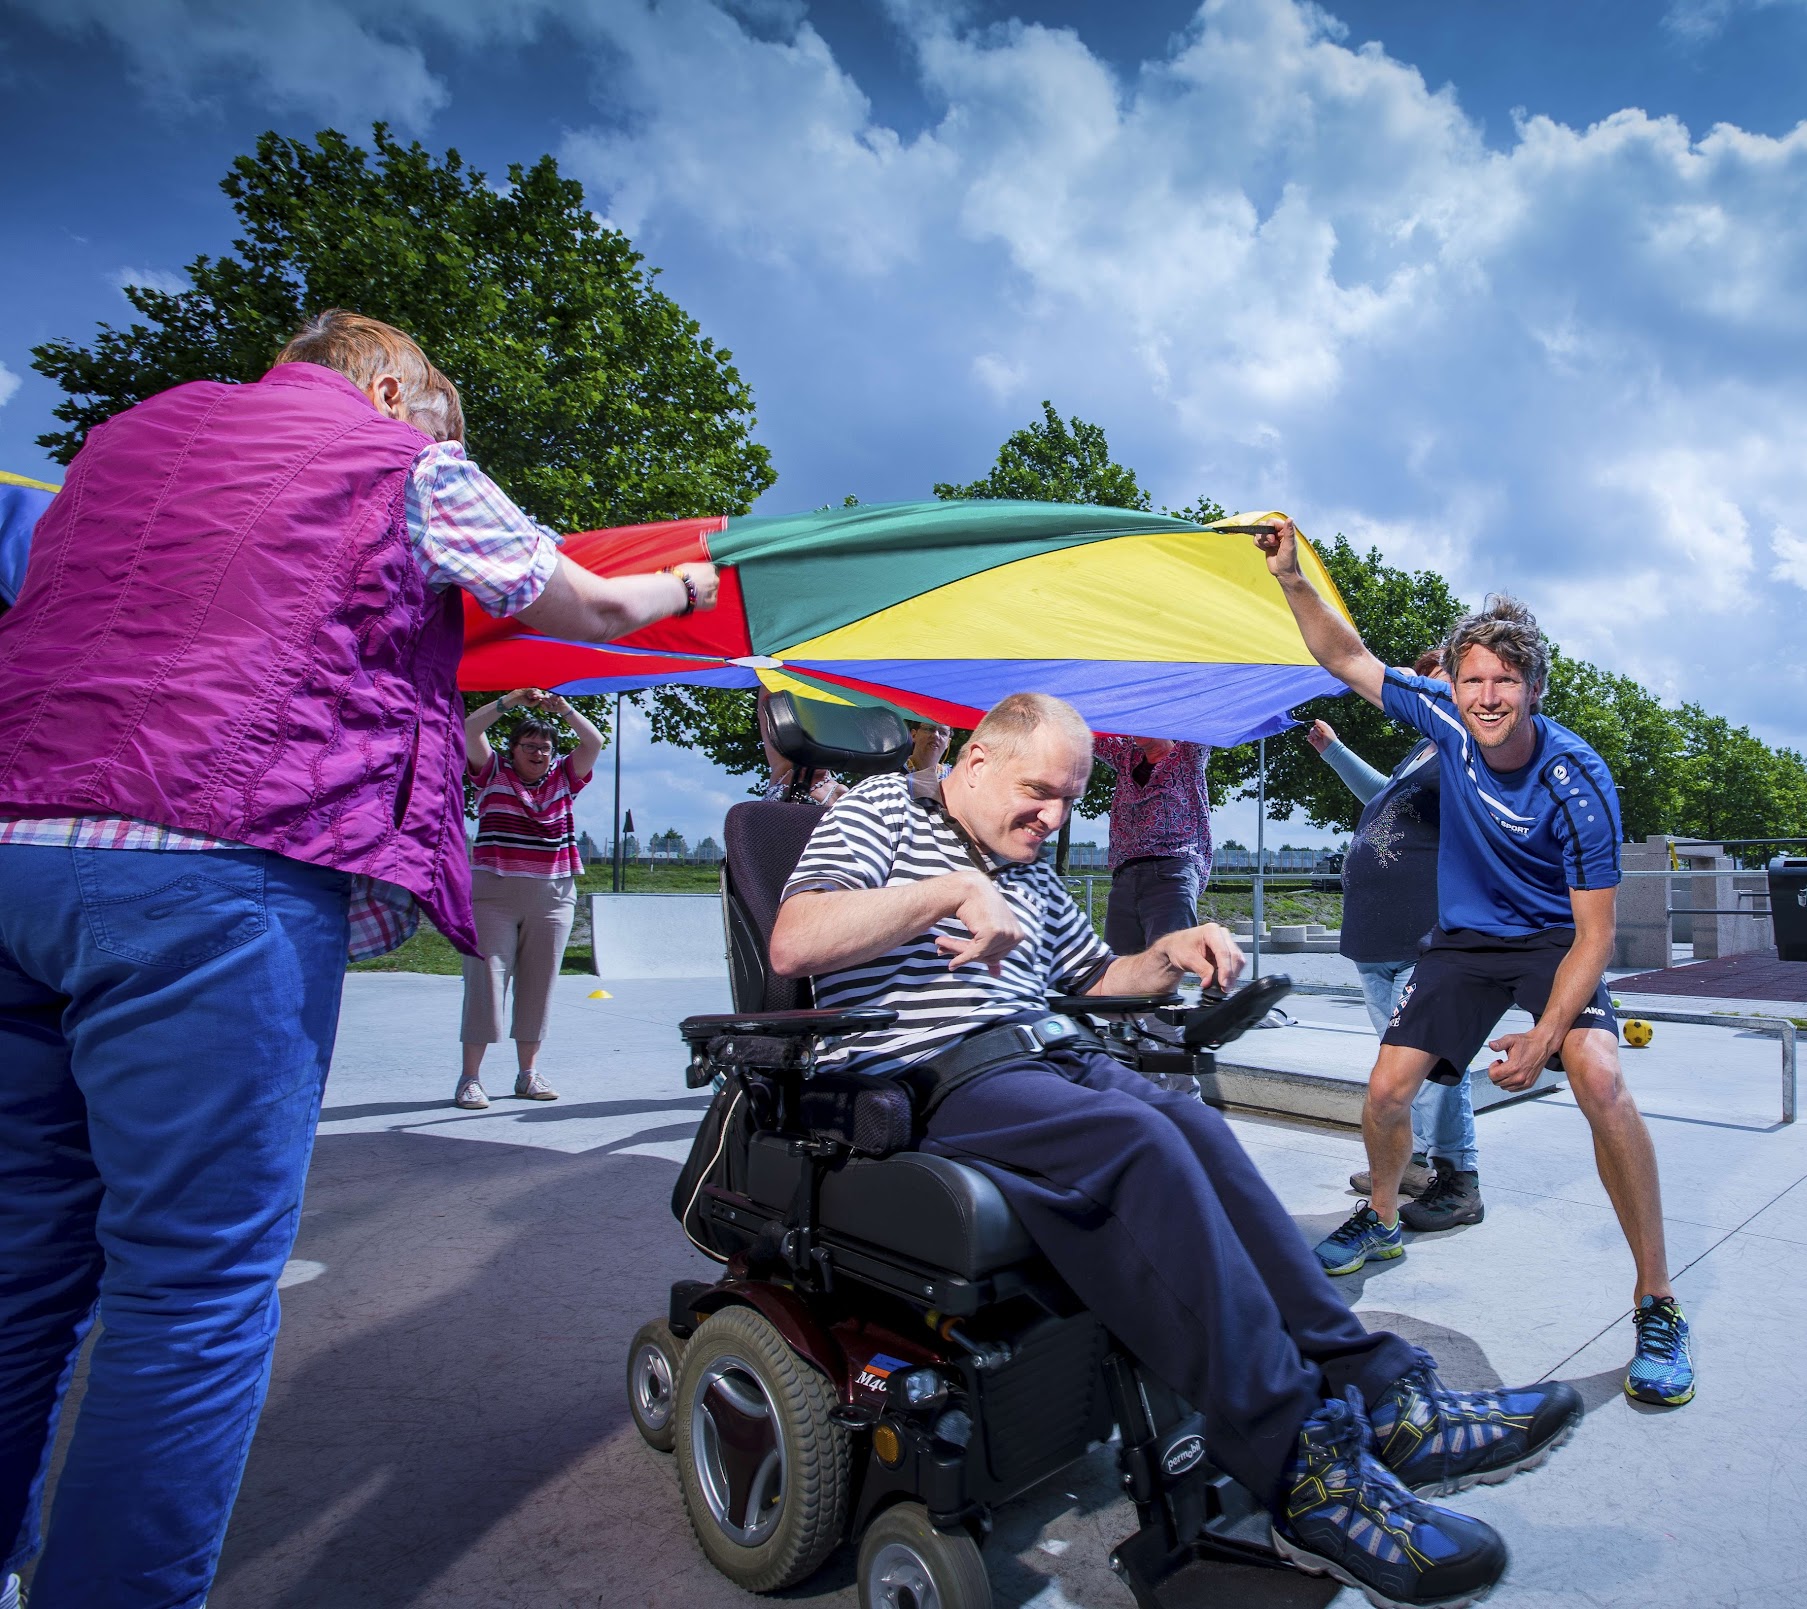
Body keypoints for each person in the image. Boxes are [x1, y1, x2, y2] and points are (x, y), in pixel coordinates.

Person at [0, 309, 721, 1609]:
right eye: (443, 417)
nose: (446, 443)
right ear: (392, 383)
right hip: (208, 865)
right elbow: (596, 598)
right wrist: (694, 579)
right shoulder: (397, 460)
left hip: (16, 847)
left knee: (18, 1264)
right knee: (192, 1291)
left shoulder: (116, 447)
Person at [769, 692, 1580, 1609]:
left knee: (1194, 1124)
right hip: (934, 1070)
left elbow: (1099, 979)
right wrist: (948, 893)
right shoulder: (879, 810)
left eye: (1072, 799)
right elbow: (796, 939)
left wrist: (1175, 950)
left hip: (1050, 1055)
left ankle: (1381, 1391)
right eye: (1040, 792)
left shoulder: (1030, 863)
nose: (1057, 817)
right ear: (977, 762)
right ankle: (1298, 1459)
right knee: (1142, 1137)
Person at [1259, 519, 1696, 1408]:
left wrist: (1545, 1035)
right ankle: (1383, 1219)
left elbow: (1594, 936)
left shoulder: (1579, 780)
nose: (1488, 696)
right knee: (1386, 1091)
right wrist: (1293, 579)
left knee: (1602, 1078)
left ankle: (1658, 1300)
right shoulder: (1443, 724)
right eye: (1472, 680)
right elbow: (1347, 657)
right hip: (1461, 940)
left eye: (1505, 680)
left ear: (1533, 686)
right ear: (1451, 685)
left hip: (1550, 943)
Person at [1306, 686, 1483, 1233]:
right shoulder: (1422, 751)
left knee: (1430, 1066)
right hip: (1375, 941)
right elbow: (1385, 800)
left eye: (1434, 682)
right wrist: (1335, 751)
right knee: (1398, 1070)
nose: (1417, 692)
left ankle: (1459, 1181)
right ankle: (1419, 1165)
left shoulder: (1469, 751)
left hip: (1423, 938)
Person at [455, 689, 604, 1108]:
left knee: (539, 987)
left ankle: (528, 1074)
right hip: (493, 896)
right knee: (486, 983)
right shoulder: (492, 772)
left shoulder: (565, 778)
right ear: (513, 749)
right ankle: (470, 1078)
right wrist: (512, 701)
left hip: (553, 896)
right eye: (529, 746)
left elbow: (593, 743)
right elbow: (468, 729)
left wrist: (566, 709)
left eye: (545, 747)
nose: (538, 753)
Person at [1095, 732, 1212, 951]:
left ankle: (1216, 982)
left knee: (1165, 963)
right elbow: (1085, 731)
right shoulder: (1125, 755)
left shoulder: (1187, 756)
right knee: (1121, 967)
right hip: (1126, 874)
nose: (1136, 729)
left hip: (1172, 870)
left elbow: (1206, 716)